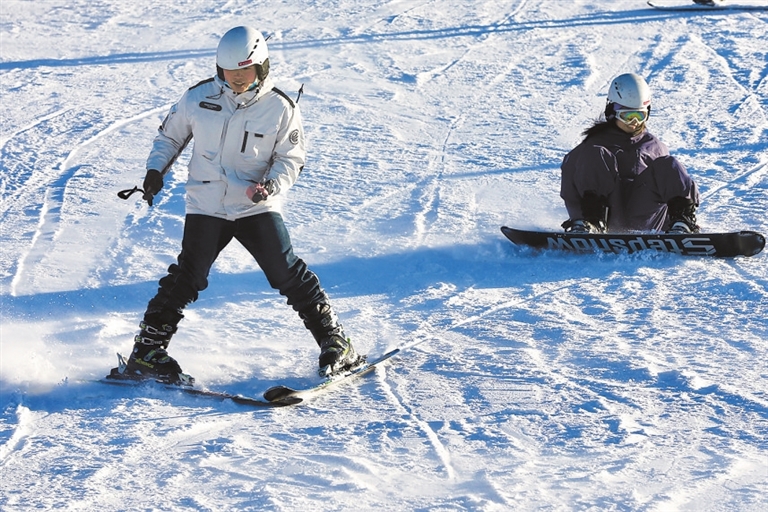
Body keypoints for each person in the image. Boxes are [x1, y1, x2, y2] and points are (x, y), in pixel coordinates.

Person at [123, 26, 361, 383]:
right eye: (228, 71)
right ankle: (147, 352)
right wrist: (154, 170)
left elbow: (290, 158)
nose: (235, 78)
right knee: (187, 276)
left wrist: (270, 185)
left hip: (255, 204)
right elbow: (169, 135)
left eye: (244, 71)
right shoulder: (198, 98)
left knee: (286, 272)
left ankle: (335, 341)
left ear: (261, 68)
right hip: (207, 203)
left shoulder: (280, 107)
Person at [560, 73, 700, 234]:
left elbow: (675, 183)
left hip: (645, 217)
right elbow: (570, 183)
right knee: (594, 154)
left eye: (640, 115)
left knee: (669, 164)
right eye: (627, 116)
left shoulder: (654, 146)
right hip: (607, 214)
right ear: (612, 111)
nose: (634, 123)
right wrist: (578, 216)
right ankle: (592, 224)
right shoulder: (591, 147)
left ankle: (682, 224)